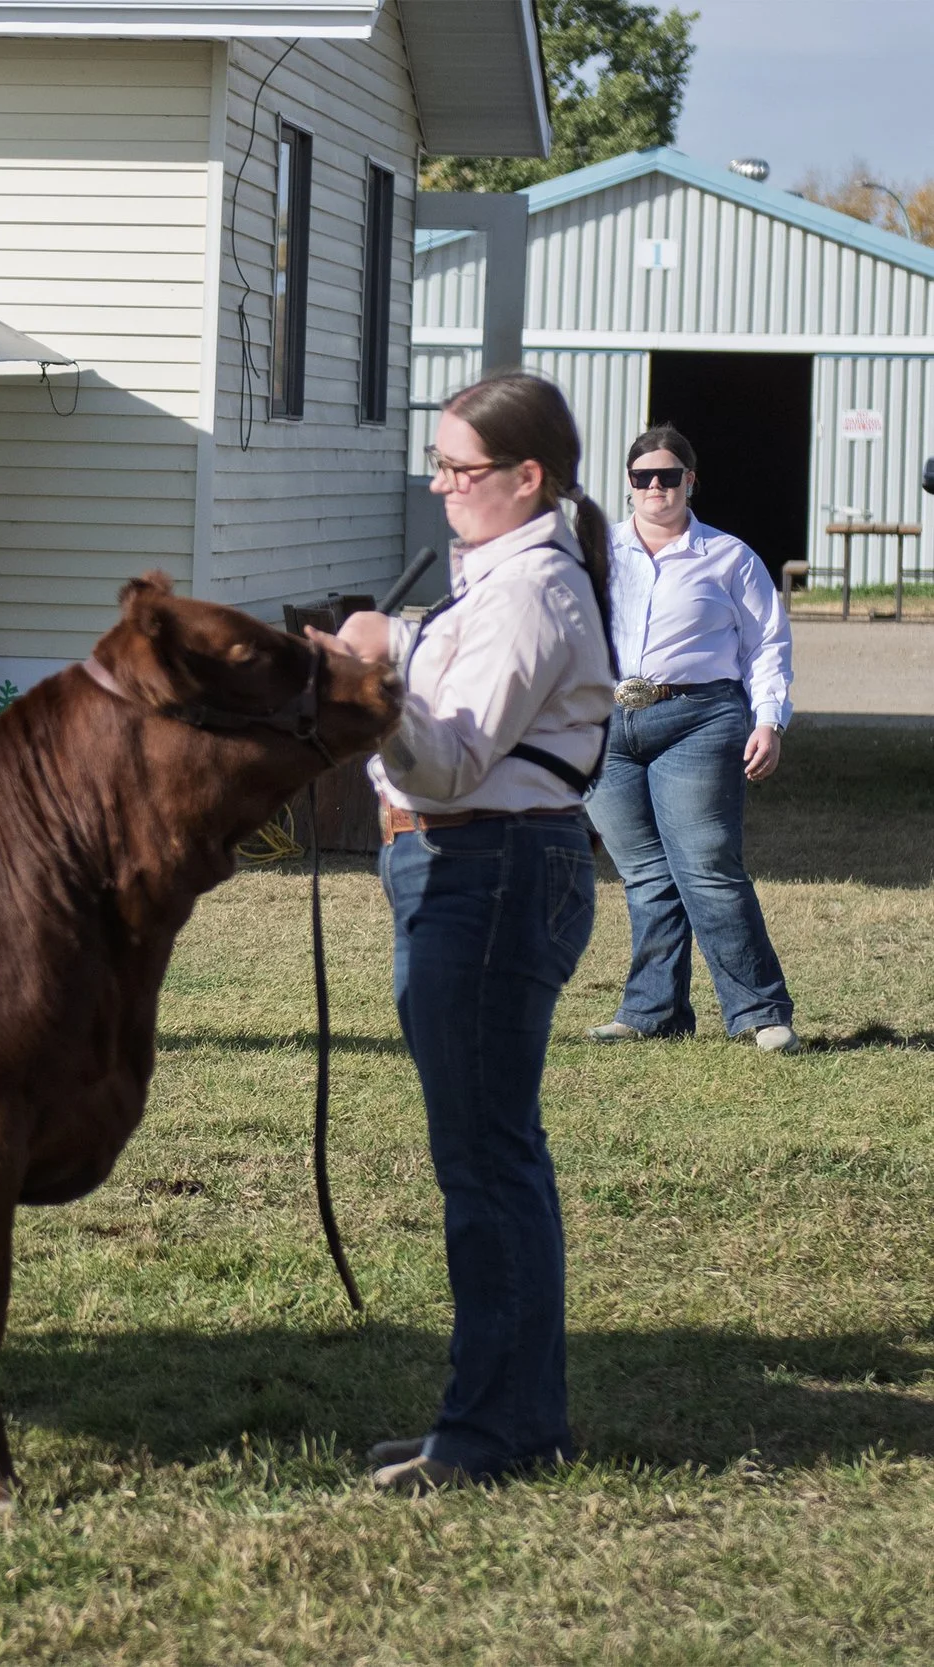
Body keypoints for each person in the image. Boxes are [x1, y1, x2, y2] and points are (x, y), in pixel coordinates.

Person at [330, 373, 615, 1494]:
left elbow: (447, 759)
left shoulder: (529, 590)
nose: (442, 486)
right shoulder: (499, 581)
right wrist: (387, 635)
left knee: (486, 1165)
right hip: (473, 870)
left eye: (461, 469)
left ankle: (492, 1432)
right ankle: (507, 1417)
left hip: (484, 873)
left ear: (526, 477)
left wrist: (369, 679)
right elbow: (456, 671)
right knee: (493, 1157)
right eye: (438, 465)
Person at [586, 425, 799, 1054]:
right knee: (644, 873)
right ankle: (653, 1011)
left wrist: (769, 719)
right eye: (642, 477)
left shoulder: (729, 557)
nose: (656, 487)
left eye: (669, 476)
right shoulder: (596, 553)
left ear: (690, 481)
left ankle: (760, 1012)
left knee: (707, 867)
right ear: (627, 485)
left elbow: (767, 644)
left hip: (699, 718)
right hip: (605, 724)